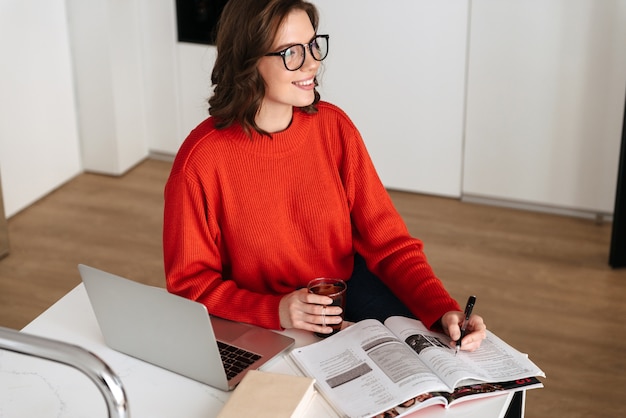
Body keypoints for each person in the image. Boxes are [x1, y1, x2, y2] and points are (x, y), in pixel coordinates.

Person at [163, 0, 486, 351]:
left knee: (440, 363)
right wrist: (277, 310)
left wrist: (443, 310)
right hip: (259, 316)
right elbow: (189, 283)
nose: (313, 62)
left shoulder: (334, 128)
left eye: (313, 45)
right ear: (247, 61)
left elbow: (390, 244)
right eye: (291, 52)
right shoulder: (201, 160)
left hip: (346, 290)